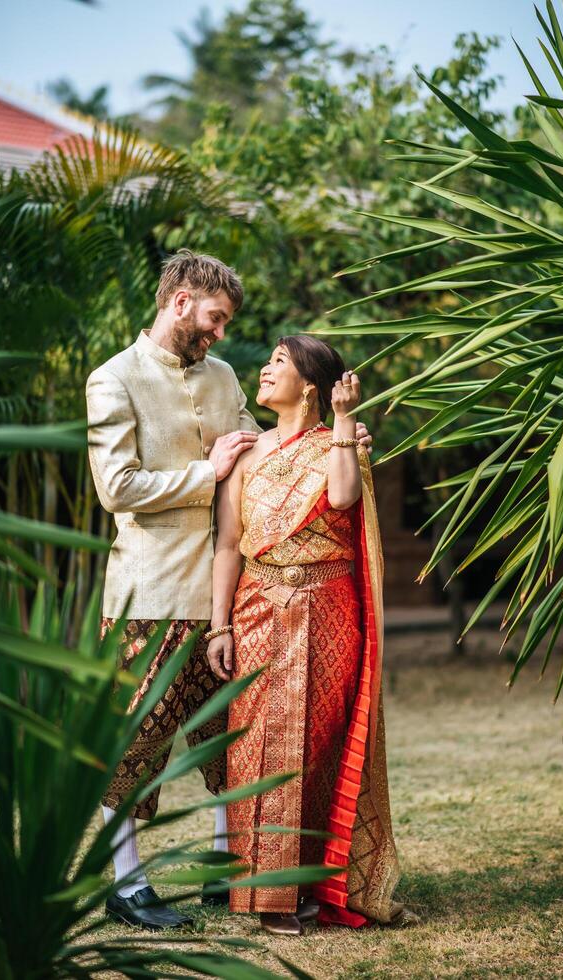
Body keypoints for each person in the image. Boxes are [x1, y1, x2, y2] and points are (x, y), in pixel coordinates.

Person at [86, 252, 372, 931]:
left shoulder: (222, 379)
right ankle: (126, 885)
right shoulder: (113, 379)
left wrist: (339, 438)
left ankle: (227, 873)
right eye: (215, 320)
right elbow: (115, 488)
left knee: (229, 742)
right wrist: (203, 472)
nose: (219, 335)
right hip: (148, 596)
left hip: (230, 599)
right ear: (181, 302)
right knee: (133, 744)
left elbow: (268, 449)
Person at [207, 334, 413, 936]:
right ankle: (265, 897)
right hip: (255, 608)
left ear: (311, 386)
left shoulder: (338, 444)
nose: (265, 370)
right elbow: (226, 545)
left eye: (278, 362)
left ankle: (318, 886)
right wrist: (220, 627)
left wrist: (346, 421)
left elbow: (344, 494)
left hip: (327, 612)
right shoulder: (246, 455)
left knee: (319, 749)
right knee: (256, 750)